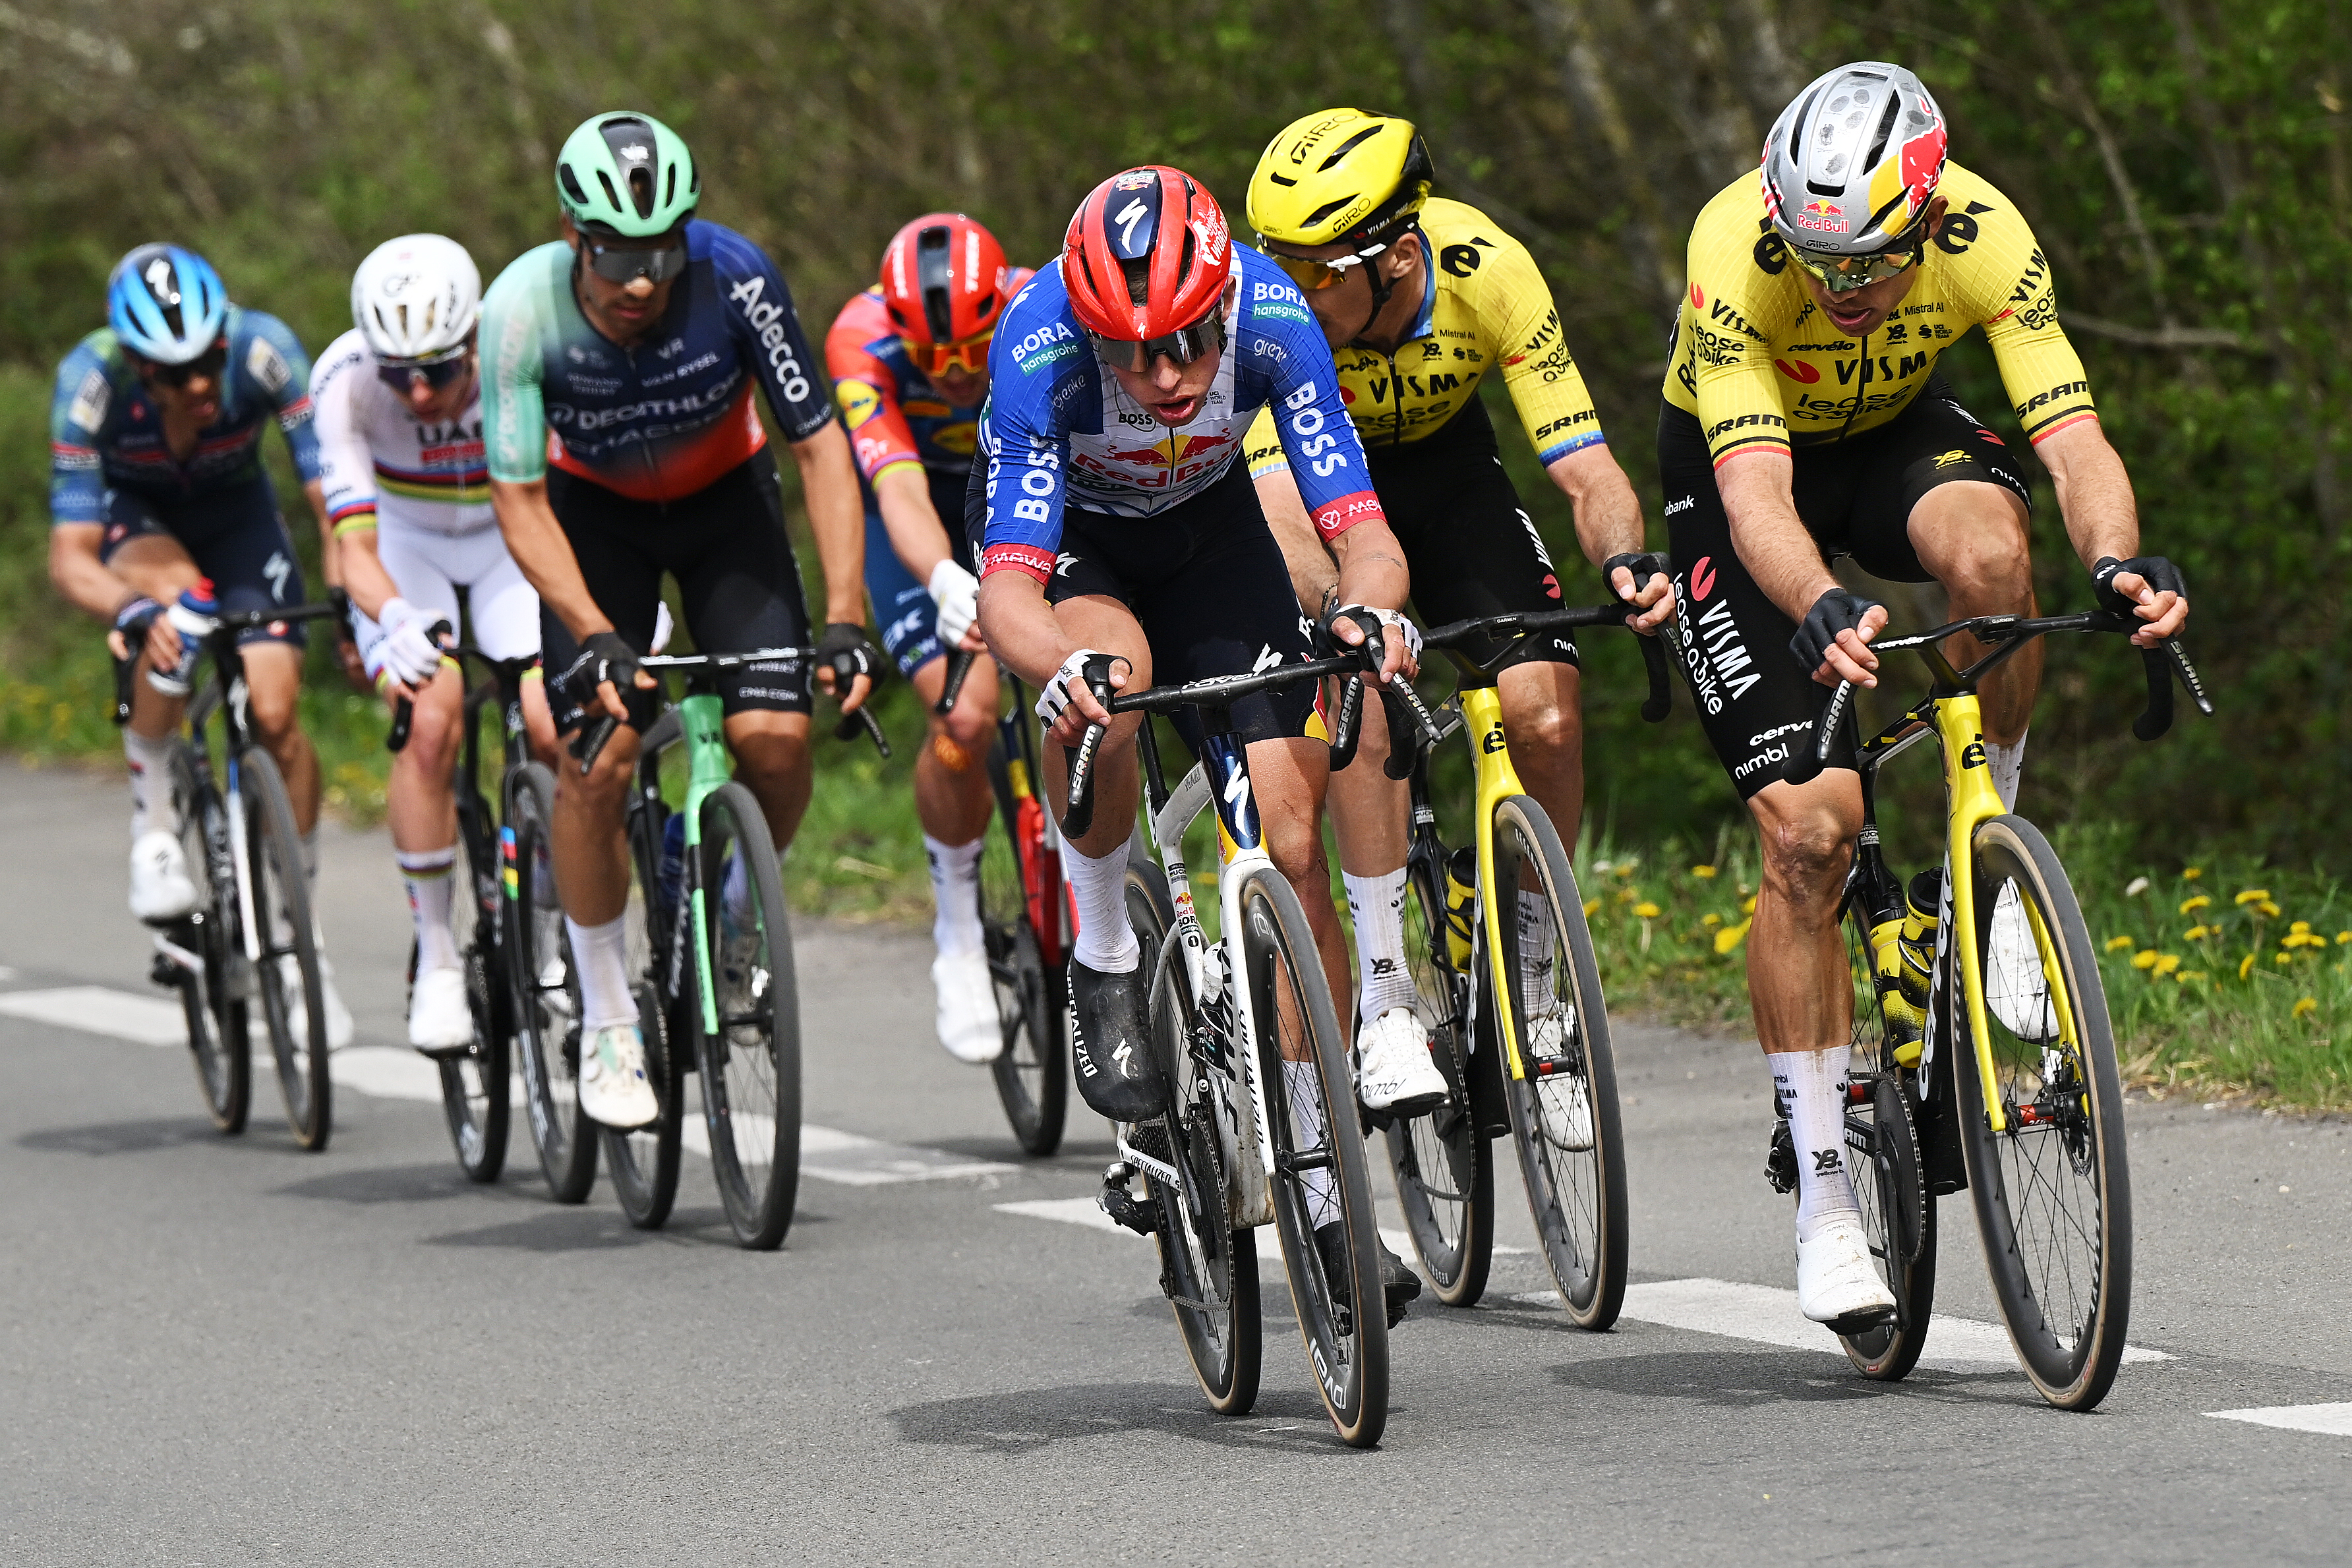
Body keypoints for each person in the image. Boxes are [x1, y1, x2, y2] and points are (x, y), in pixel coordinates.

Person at [1659, 62, 2189, 1327]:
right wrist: (1814, 603)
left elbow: (2071, 441)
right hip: (1746, 472)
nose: (1841, 292)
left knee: (1999, 560)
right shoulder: (1735, 250)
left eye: (1870, 267)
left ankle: (1985, 857)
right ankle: (1826, 1201)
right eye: (1819, 265)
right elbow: (1753, 504)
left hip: (1898, 432)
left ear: (1926, 213)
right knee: (1809, 832)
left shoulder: (1984, 232)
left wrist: (2115, 562)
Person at [972, 164, 1425, 1316]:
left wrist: (1371, 608)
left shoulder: (1273, 316)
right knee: (1110, 692)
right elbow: (1010, 593)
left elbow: (1357, 526)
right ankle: (1106, 953)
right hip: (1087, 552)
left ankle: (1328, 1192)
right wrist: (1056, 668)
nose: (1162, 375)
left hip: (1212, 534)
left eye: (1182, 343)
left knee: (1292, 832)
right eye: (1129, 352)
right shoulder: (1037, 350)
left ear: (1221, 302)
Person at [1243, 108, 1673, 1109]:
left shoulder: (1491, 270)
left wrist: (1625, 557)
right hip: (1312, 501)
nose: (1290, 290)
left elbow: (1586, 465)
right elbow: (1277, 510)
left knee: (1547, 711)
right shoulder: (1269, 322)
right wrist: (1350, 616)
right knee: (1362, 694)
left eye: (1318, 271)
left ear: (1396, 256)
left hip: (1448, 479)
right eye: (1281, 262)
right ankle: (1387, 996)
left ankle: (1534, 974)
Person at [479, 111, 877, 1131]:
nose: (642, 281)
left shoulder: (737, 275)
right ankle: (609, 1012)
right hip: (593, 523)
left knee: (778, 743)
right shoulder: (521, 310)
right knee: (599, 756)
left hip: (722, 511)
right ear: (576, 235)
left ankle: (734, 912)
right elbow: (519, 501)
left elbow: (822, 446)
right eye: (617, 254)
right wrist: (591, 629)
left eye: (661, 251)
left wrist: (844, 613)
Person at [47, 242, 353, 1047]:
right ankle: (153, 827)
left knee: (280, 717)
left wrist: (351, 587)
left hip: (238, 514)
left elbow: (329, 494)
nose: (197, 385)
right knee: (182, 611)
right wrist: (127, 609)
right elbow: (70, 556)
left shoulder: (263, 349)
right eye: (174, 374)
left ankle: (298, 935)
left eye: (207, 362)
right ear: (138, 368)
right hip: (139, 521)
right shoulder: (91, 382)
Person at [312, 234, 558, 1053]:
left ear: (476, 343)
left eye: (440, 372)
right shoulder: (342, 382)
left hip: (504, 545)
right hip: (404, 548)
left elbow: (573, 502)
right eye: (399, 374)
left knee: (552, 713)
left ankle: (557, 916)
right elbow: (352, 546)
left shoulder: (523, 348)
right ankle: (443, 955)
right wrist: (390, 619)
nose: (418, 393)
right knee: (429, 717)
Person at [825, 214, 1032, 1063]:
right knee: (965, 721)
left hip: (1017, 485)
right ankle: (954, 922)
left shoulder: (1038, 305)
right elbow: (897, 489)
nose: (950, 376)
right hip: (912, 516)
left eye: (967, 354)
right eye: (931, 358)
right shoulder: (861, 338)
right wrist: (948, 579)